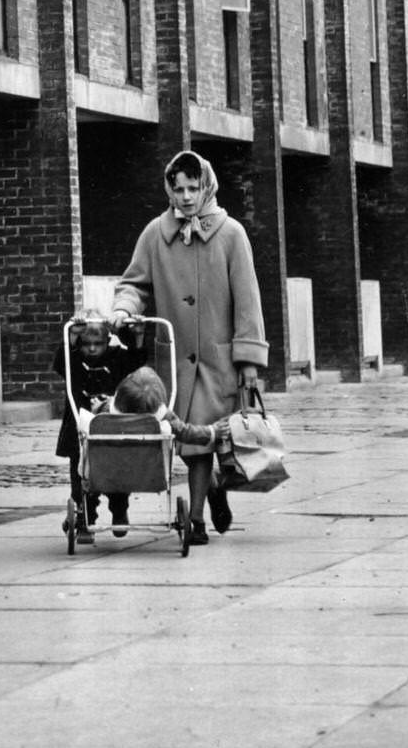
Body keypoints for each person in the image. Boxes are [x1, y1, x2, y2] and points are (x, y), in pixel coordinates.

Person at [111, 149, 268, 547]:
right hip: (174, 358)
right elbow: (134, 283)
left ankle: (195, 519)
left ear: (206, 186)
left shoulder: (231, 233)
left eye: (192, 187)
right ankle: (213, 485)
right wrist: (124, 308)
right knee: (185, 441)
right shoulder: (155, 234)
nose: (185, 196)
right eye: (177, 188)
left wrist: (249, 359)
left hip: (219, 360)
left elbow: (248, 299)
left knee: (202, 440)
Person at [53, 314, 145, 543]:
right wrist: (72, 336)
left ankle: (119, 507)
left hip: (112, 426)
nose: (92, 349)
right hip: (80, 427)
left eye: (98, 344)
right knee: (81, 474)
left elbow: (137, 359)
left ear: (108, 340)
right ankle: (85, 516)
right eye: (86, 344)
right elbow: (60, 362)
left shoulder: (117, 359)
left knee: (117, 471)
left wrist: (136, 334)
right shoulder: (73, 361)